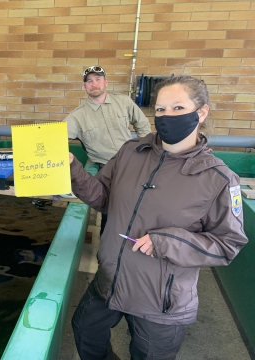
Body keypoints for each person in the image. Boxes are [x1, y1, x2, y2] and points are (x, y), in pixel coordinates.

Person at [68, 75, 248, 360]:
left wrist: (167, 242)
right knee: (85, 330)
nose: (166, 116)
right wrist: (72, 168)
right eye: (161, 109)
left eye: (178, 108)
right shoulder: (131, 152)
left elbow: (227, 244)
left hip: (160, 301)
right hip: (110, 282)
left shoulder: (219, 179)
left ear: (201, 112)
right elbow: (103, 197)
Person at [64, 65, 152, 234]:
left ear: (106, 82)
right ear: (85, 86)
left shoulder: (124, 102)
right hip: (108, 169)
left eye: (98, 79)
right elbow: (56, 139)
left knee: (144, 205)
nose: (94, 84)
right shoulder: (77, 116)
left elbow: (142, 125)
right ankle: (108, 245)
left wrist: (146, 150)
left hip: (136, 162)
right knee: (111, 210)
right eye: (89, 81)